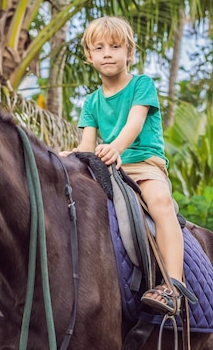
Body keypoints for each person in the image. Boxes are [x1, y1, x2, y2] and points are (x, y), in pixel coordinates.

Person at [60, 16, 185, 316]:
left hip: (143, 164)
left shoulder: (141, 85)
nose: (107, 53)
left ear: (129, 53)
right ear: (89, 56)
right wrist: (65, 156)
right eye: (99, 47)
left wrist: (115, 148)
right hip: (110, 169)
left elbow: (134, 123)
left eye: (115, 47)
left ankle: (173, 286)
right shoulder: (91, 101)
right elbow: (87, 147)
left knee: (160, 201)